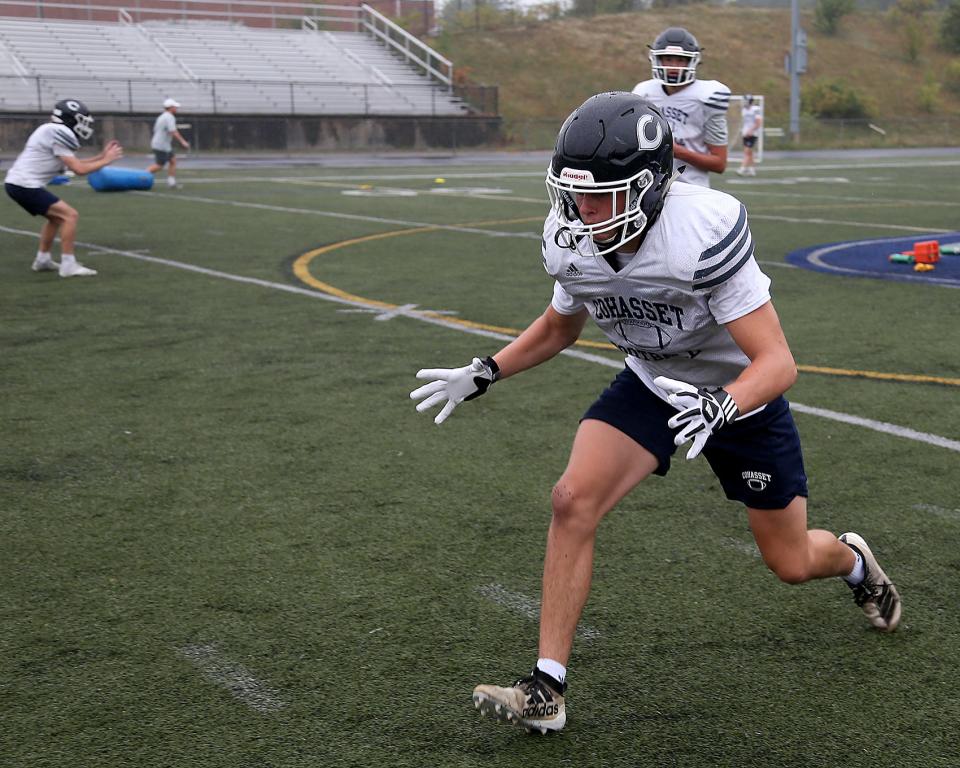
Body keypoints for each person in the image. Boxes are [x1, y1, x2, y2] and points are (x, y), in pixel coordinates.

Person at [409, 92, 901, 735]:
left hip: (738, 395)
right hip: (652, 384)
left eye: (602, 195)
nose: (582, 211)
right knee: (571, 499)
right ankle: (547, 687)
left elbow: (777, 362)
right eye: (573, 192)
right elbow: (561, 326)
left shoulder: (700, 229)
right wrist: (486, 370)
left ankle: (855, 562)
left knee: (790, 563)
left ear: (649, 187)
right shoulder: (572, 239)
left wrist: (723, 405)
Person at [4, 99, 123, 278]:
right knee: (70, 215)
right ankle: (68, 265)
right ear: (71, 118)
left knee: (56, 218)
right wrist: (107, 160)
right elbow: (80, 170)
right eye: (81, 119)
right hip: (24, 184)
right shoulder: (59, 131)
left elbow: (76, 163)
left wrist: (101, 156)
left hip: (18, 183)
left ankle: (42, 259)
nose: (84, 125)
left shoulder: (51, 130)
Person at [632, 27, 729, 187]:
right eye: (668, 59)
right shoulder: (643, 92)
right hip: (648, 188)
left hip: (692, 190)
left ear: (692, 61)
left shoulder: (708, 96)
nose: (673, 66)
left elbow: (719, 164)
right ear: (656, 59)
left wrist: (675, 151)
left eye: (680, 60)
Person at [146, 97, 189, 188]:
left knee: (172, 161)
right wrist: (183, 142)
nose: (176, 109)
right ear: (170, 107)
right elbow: (173, 131)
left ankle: (171, 182)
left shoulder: (162, 116)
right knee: (159, 165)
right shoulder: (169, 117)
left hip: (164, 145)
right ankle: (141, 176)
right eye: (175, 107)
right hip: (161, 145)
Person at [738, 93, 763, 176]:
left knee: (747, 151)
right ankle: (752, 170)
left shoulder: (756, 109)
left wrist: (751, 131)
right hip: (745, 133)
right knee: (749, 153)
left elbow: (758, 122)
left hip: (753, 134)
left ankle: (742, 169)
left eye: (745, 100)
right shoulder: (744, 110)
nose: (744, 102)